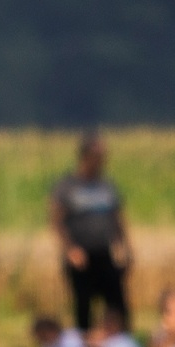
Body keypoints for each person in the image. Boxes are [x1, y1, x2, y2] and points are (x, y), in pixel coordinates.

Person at [50, 132, 132, 333]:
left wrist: (126, 248)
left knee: (117, 303)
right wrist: (70, 249)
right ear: (85, 157)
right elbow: (57, 221)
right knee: (84, 304)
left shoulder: (106, 186)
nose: (101, 163)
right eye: (97, 158)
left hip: (105, 253)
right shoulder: (68, 186)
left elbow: (118, 219)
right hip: (81, 256)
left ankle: (120, 343)